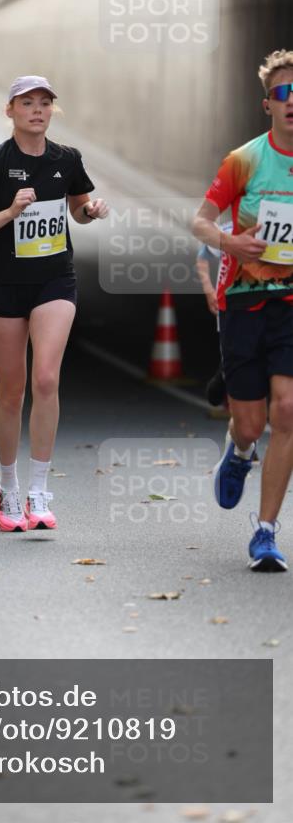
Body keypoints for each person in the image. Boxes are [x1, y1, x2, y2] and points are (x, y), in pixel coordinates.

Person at [0, 75, 108, 533]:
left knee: (46, 378)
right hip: (3, 287)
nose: (37, 110)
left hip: (53, 281)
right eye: (27, 103)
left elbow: (78, 210)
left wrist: (90, 212)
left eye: (45, 103)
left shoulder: (67, 159)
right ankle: (9, 487)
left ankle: (41, 490)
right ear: (11, 111)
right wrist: (8, 213)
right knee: (12, 391)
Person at [192, 48, 293, 572]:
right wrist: (232, 245)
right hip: (244, 302)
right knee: (251, 423)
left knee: (289, 411)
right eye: (284, 92)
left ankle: (267, 531)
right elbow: (201, 222)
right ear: (267, 104)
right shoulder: (245, 159)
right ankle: (240, 451)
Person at [196, 222, 233, 408]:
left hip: (274, 308)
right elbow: (202, 257)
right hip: (231, 310)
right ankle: (225, 372)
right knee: (239, 370)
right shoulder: (227, 230)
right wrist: (209, 289)